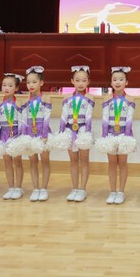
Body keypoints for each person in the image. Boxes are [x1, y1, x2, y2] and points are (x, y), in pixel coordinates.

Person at [100, 66, 136, 205]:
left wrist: (126, 137)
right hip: (110, 135)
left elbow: (129, 120)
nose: (118, 82)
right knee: (112, 163)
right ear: (111, 82)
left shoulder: (130, 99)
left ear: (126, 82)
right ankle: (112, 191)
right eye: (114, 79)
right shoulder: (107, 99)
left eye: (121, 79)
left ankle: (121, 191)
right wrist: (105, 136)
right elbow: (104, 119)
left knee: (122, 163)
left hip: (124, 135)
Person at [59, 65, 95, 202]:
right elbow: (63, 116)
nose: (81, 83)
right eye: (77, 80)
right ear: (72, 81)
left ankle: (82, 189)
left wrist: (87, 134)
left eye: (84, 80)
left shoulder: (90, 97)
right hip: (69, 130)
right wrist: (62, 133)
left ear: (88, 82)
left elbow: (88, 117)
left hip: (83, 130)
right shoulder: (66, 97)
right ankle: (74, 188)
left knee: (84, 160)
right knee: (73, 161)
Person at [20, 66, 52, 202]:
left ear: (41, 83)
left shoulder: (46, 99)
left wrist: (44, 136)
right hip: (29, 134)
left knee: (45, 161)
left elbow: (46, 119)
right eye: (28, 82)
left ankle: (44, 188)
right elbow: (23, 121)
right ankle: (36, 188)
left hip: (43, 133)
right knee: (32, 162)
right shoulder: (24, 101)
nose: (31, 85)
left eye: (34, 82)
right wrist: (24, 137)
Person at [0, 73, 24, 200]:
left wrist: (20, 137)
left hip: (15, 133)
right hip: (3, 134)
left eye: (10, 86)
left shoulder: (19, 104)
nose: (6, 88)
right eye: (4, 85)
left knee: (17, 161)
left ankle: (18, 187)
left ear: (16, 88)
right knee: (7, 162)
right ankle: (11, 187)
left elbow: (22, 122)